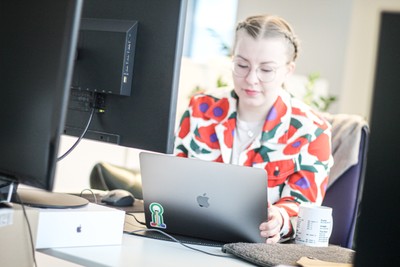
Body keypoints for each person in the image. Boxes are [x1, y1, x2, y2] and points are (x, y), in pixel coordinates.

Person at [174, 14, 334, 244]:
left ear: (288, 70)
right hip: (192, 238)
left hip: (258, 249)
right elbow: (175, 179)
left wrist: (279, 218)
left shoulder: (312, 131)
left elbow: (305, 209)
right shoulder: (200, 109)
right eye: (241, 65)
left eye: (266, 70)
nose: (251, 79)